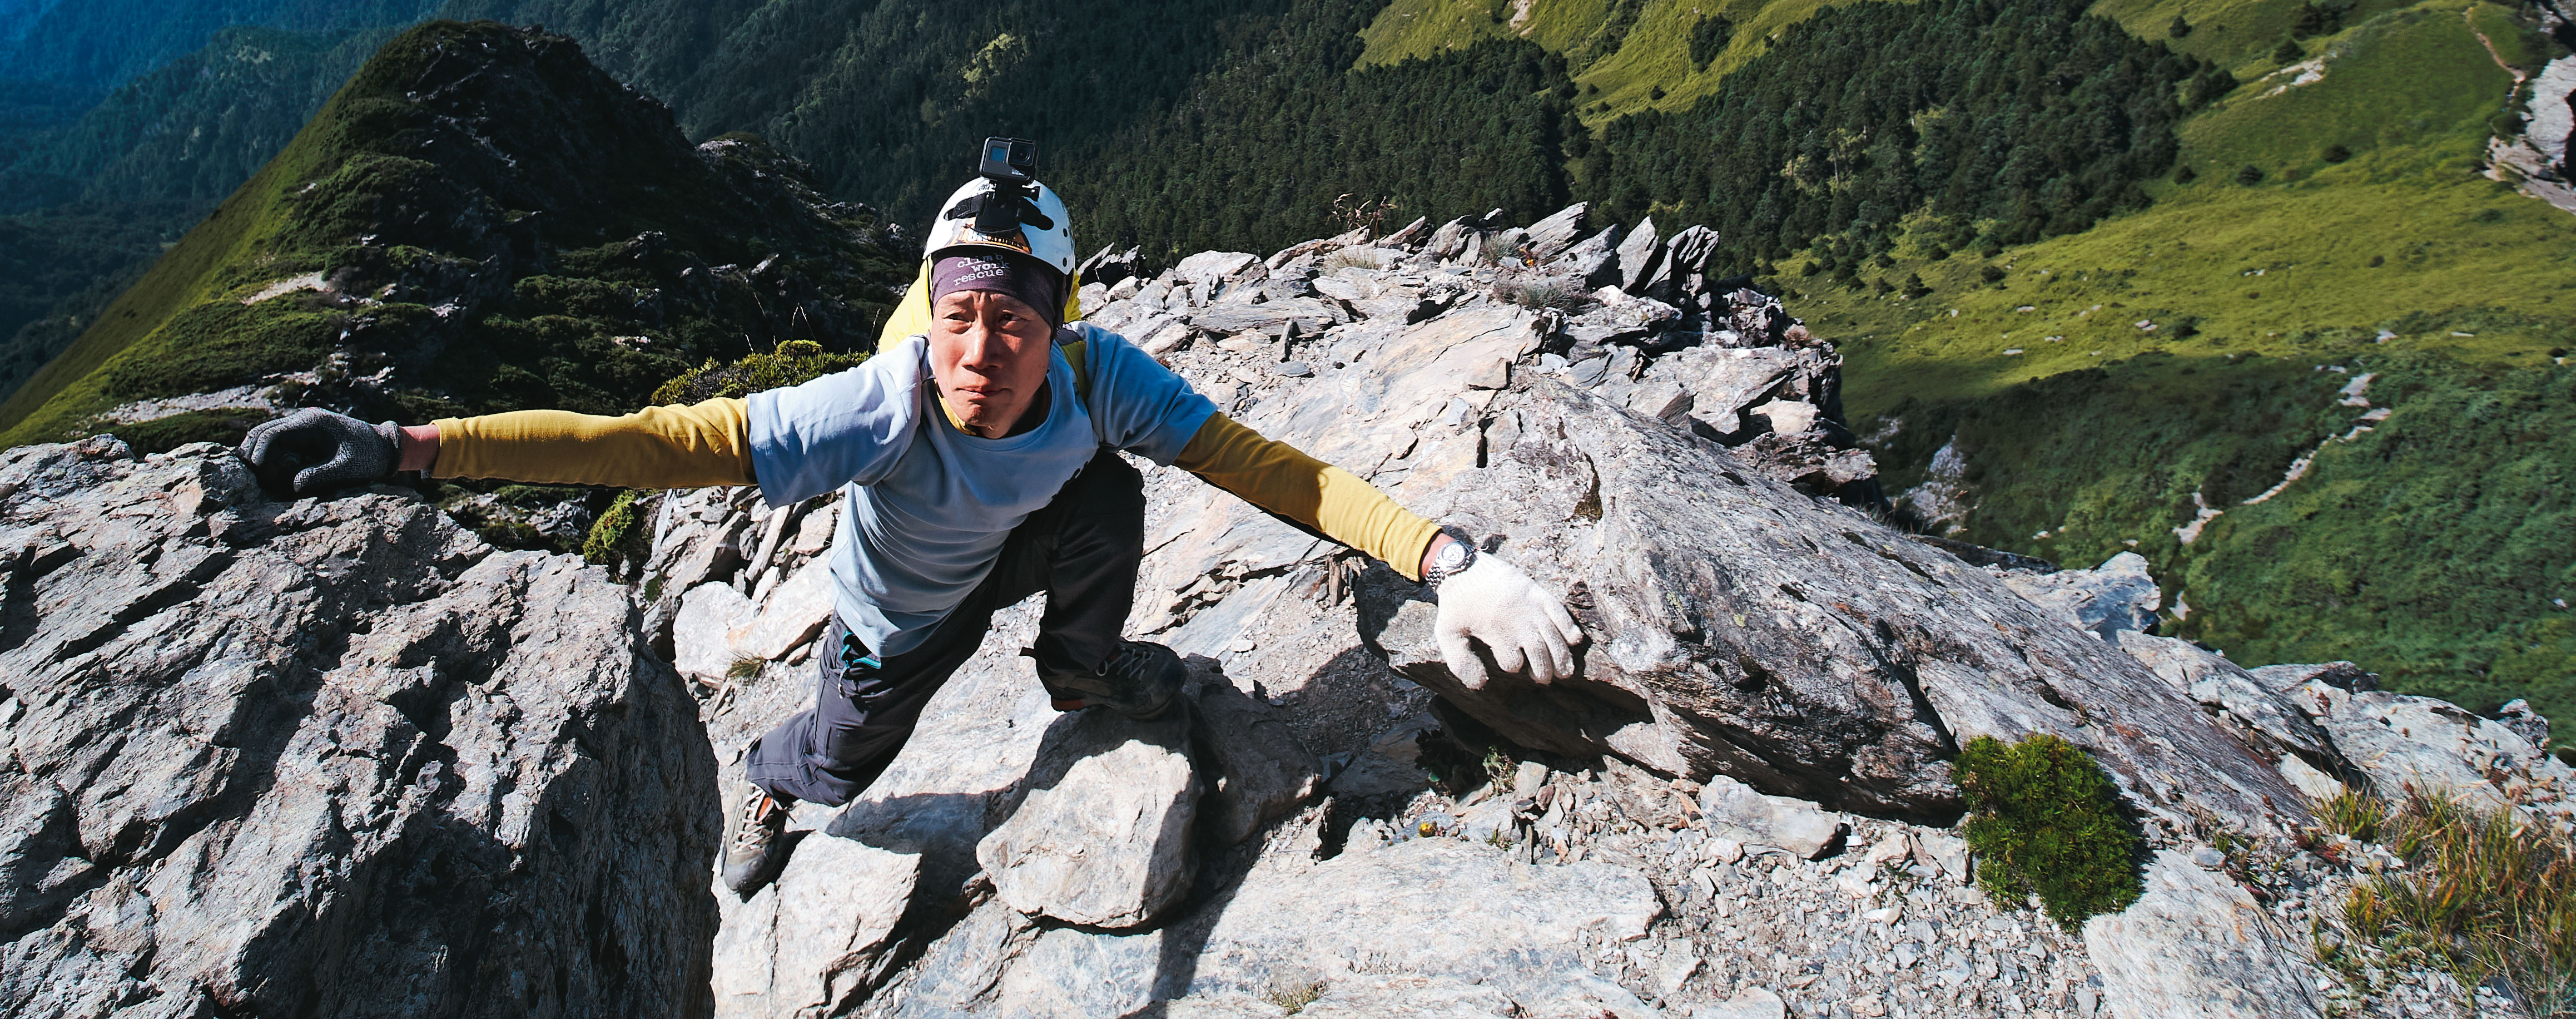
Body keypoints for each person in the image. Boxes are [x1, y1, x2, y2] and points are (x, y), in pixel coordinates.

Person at [242, 146, 1586, 896]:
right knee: (842, 764)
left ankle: (1080, 669)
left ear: (1058, 320)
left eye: (1012, 318)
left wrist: (1446, 560)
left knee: (1112, 488)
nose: (980, 347)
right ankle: (769, 782)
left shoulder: (1099, 378)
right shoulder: (884, 403)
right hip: (900, 613)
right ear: (930, 308)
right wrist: (413, 448)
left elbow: (1267, 469)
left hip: (1023, 540)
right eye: (959, 313)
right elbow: (657, 444)